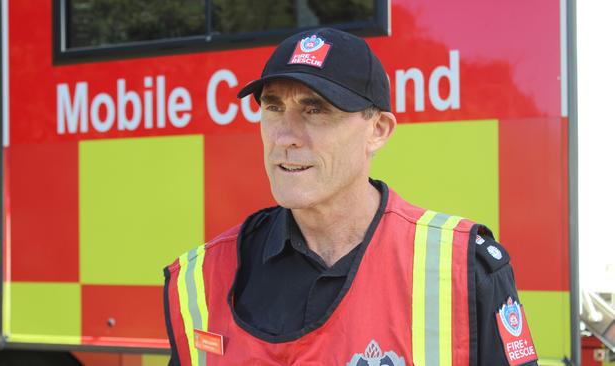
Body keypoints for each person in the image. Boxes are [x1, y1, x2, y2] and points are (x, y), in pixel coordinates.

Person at [163, 28, 538, 366]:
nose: (285, 137)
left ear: (377, 130)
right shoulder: (201, 277)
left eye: (315, 110)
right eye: (274, 108)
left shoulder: (463, 267)